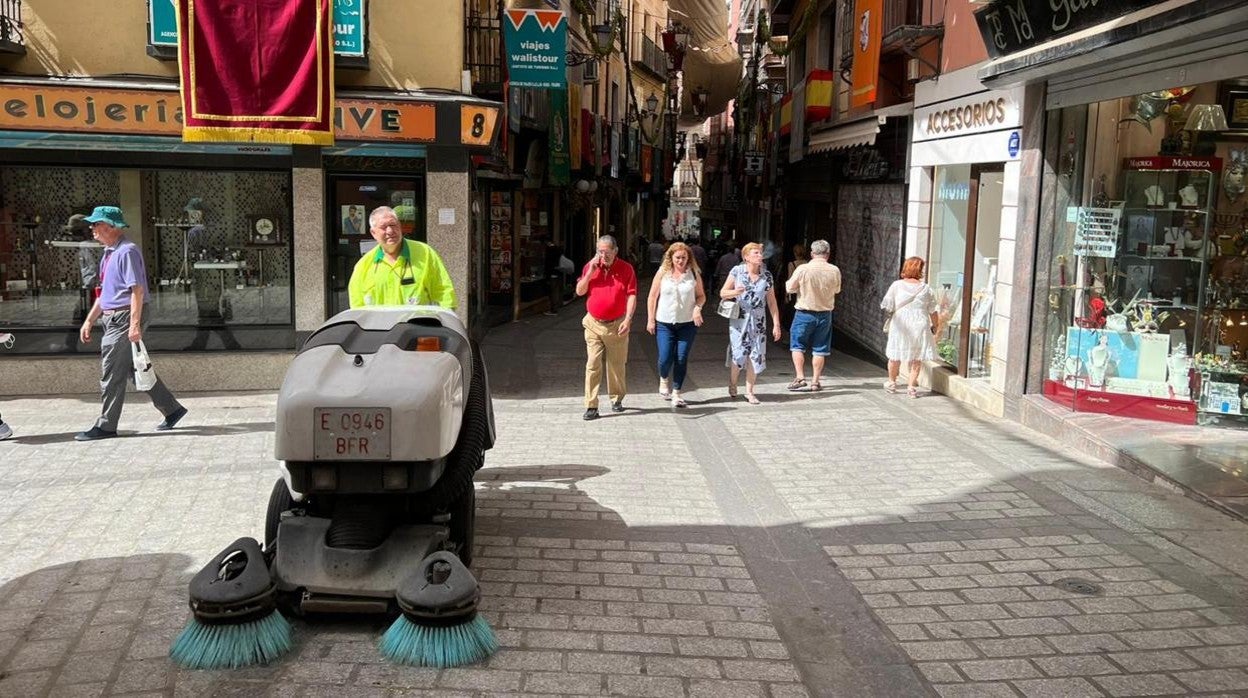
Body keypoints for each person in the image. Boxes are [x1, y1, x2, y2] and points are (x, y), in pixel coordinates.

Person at [76, 206, 188, 441]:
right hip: (113, 316)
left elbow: (136, 290)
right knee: (132, 368)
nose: (92, 228)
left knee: (111, 372)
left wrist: (134, 325)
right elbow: (105, 294)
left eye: (96, 224)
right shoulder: (109, 253)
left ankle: (106, 425)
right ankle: (172, 409)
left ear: (111, 226)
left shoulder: (127, 251)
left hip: (124, 317)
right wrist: (89, 320)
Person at [575, 235, 637, 421]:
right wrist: (589, 273)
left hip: (617, 324)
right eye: (600, 252)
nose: (603, 256)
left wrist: (628, 319)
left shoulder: (626, 269)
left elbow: (632, 295)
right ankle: (591, 405)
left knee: (616, 365)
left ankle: (616, 398)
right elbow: (580, 291)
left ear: (615, 251)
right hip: (593, 323)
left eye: (607, 252)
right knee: (592, 364)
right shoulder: (590, 266)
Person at [347, 206, 456, 309]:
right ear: (373, 233)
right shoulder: (364, 265)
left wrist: (445, 322)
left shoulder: (425, 253)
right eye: (383, 227)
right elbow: (357, 306)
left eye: (393, 225)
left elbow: (443, 292)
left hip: (417, 327)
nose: (390, 231)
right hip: (379, 328)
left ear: (399, 226)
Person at [646, 242, 706, 408]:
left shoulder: (693, 273)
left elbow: (701, 296)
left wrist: (697, 309)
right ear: (670, 258)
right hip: (664, 322)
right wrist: (650, 319)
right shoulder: (662, 273)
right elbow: (652, 297)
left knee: (681, 357)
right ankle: (664, 377)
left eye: (684, 258)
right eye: (677, 257)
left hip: (687, 324)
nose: (681, 261)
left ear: (689, 258)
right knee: (665, 358)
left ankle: (677, 392)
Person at [721, 242, 781, 405]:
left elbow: (772, 302)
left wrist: (776, 324)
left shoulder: (767, 276)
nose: (759, 256)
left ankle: (749, 391)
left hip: (758, 321)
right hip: (739, 320)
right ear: (746, 257)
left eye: (760, 253)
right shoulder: (737, 271)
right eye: (755, 253)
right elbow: (723, 293)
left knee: (756, 355)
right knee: (738, 354)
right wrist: (735, 292)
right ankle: (733, 383)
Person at [785, 239, 841, 392]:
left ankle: (800, 377)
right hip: (825, 314)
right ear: (828, 254)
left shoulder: (803, 269)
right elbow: (837, 290)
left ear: (812, 253)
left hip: (804, 312)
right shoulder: (834, 270)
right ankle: (815, 381)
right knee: (820, 349)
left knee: (797, 346)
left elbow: (790, 287)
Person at [881, 256, 939, 398]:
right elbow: (933, 310)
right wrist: (935, 325)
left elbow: (887, 305)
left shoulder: (896, 285)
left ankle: (892, 382)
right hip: (920, 324)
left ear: (905, 268)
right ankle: (912, 387)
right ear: (920, 270)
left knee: (895, 356)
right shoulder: (926, 289)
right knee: (916, 357)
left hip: (900, 323)